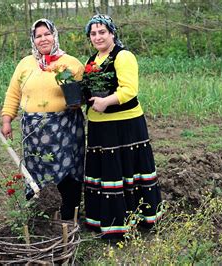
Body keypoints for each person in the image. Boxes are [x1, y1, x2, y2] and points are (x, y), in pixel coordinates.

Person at [82, 14, 163, 239]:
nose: (97, 37)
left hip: (125, 126)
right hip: (99, 126)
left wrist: (106, 102)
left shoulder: (123, 56)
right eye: (93, 33)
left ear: (112, 33)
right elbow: (88, 91)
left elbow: (129, 90)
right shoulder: (92, 60)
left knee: (126, 171)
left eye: (102, 32)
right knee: (106, 173)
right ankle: (105, 221)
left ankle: (134, 220)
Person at [1, 19, 85, 220]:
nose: (43, 39)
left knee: (68, 171)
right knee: (37, 172)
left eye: (47, 34)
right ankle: (41, 217)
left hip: (66, 129)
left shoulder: (72, 64)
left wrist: (78, 101)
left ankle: (67, 217)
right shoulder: (25, 64)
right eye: (38, 36)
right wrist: (6, 120)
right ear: (33, 40)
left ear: (54, 35)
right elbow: (13, 94)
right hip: (34, 132)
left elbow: (84, 95)